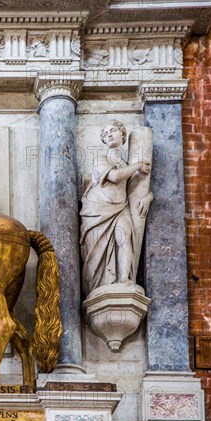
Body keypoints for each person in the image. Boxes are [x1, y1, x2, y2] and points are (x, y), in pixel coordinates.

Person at [79, 120, 151, 296]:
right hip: (97, 211)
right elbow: (116, 176)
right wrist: (138, 165)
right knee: (98, 252)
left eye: (113, 131)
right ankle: (100, 287)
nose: (109, 134)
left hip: (120, 207)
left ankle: (124, 280)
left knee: (124, 238)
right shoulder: (101, 159)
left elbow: (135, 189)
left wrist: (148, 197)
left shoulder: (127, 163)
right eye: (105, 133)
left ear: (123, 135)